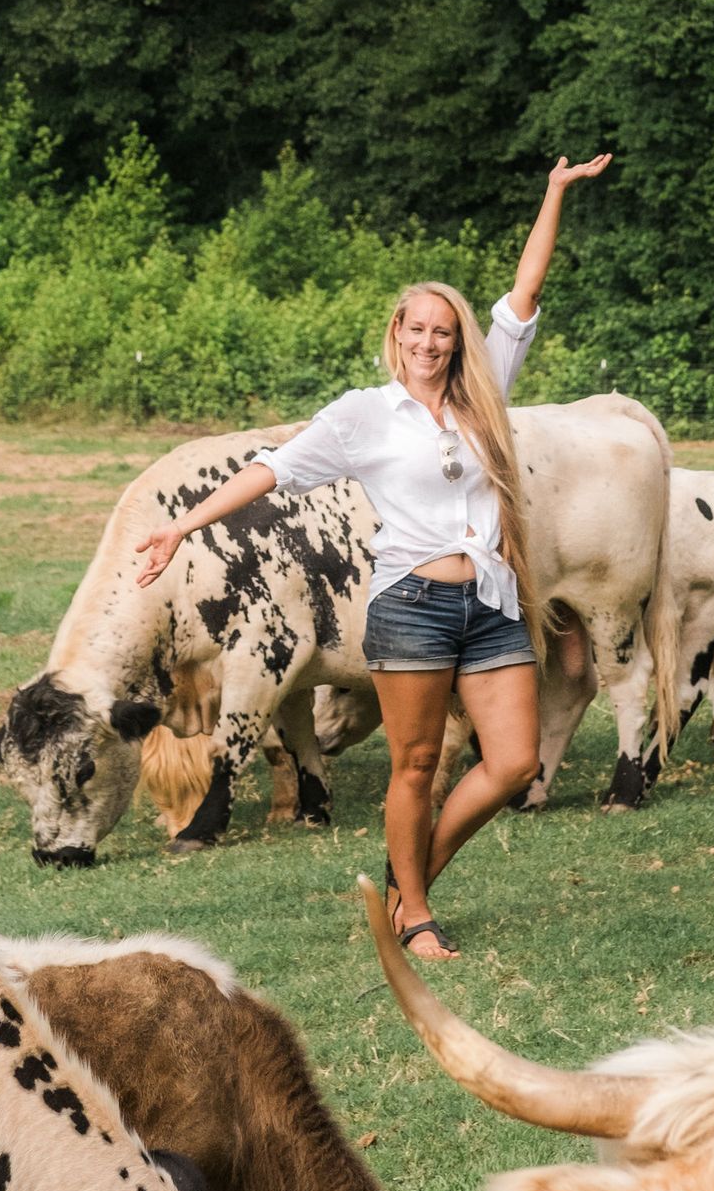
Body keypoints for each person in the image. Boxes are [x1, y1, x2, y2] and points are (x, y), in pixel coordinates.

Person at [134, 155, 611, 958]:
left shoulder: (483, 390)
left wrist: (554, 194)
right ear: (397, 335)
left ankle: (404, 881)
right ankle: (417, 915)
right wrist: (183, 526)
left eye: (442, 331)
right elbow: (269, 470)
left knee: (514, 762)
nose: (429, 343)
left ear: (457, 339)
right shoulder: (364, 416)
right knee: (416, 766)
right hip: (412, 609)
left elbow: (525, 293)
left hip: (491, 603)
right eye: (415, 330)